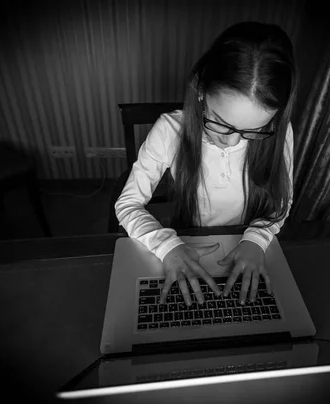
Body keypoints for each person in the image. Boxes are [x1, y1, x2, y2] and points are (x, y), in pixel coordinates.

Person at [115, 21, 296, 309]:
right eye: (221, 124)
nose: (233, 141)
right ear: (200, 88)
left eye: (253, 130)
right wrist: (166, 245)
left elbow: (281, 201)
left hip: (250, 249)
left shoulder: (278, 133)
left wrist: (257, 238)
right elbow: (127, 204)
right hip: (185, 245)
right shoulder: (169, 130)